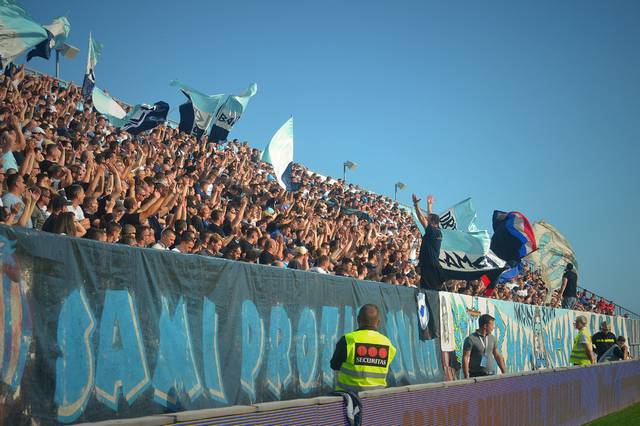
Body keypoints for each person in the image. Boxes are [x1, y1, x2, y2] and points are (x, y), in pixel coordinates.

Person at [330, 304, 396, 392]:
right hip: (377, 398)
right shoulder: (388, 344)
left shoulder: (348, 340)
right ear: (378, 322)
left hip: (349, 399)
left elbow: (334, 365)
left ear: (358, 319)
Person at [412, 194, 443, 290]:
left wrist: (416, 204)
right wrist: (429, 205)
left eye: (428, 220)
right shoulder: (437, 231)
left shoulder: (432, 231)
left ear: (433, 223)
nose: (427, 220)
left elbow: (421, 218)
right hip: (432, 265)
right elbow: (431, 217)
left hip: (429, 266)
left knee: (427, 290)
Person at [463, 314, 506, 378]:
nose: (493, 327)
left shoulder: (492, 338)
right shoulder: (470, 339)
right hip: (476, 376)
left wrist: (505, 373)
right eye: (492, 325)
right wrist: (466, 377)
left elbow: (497, 355)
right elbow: (465, 358)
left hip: (491, 375)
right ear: (485, 326)